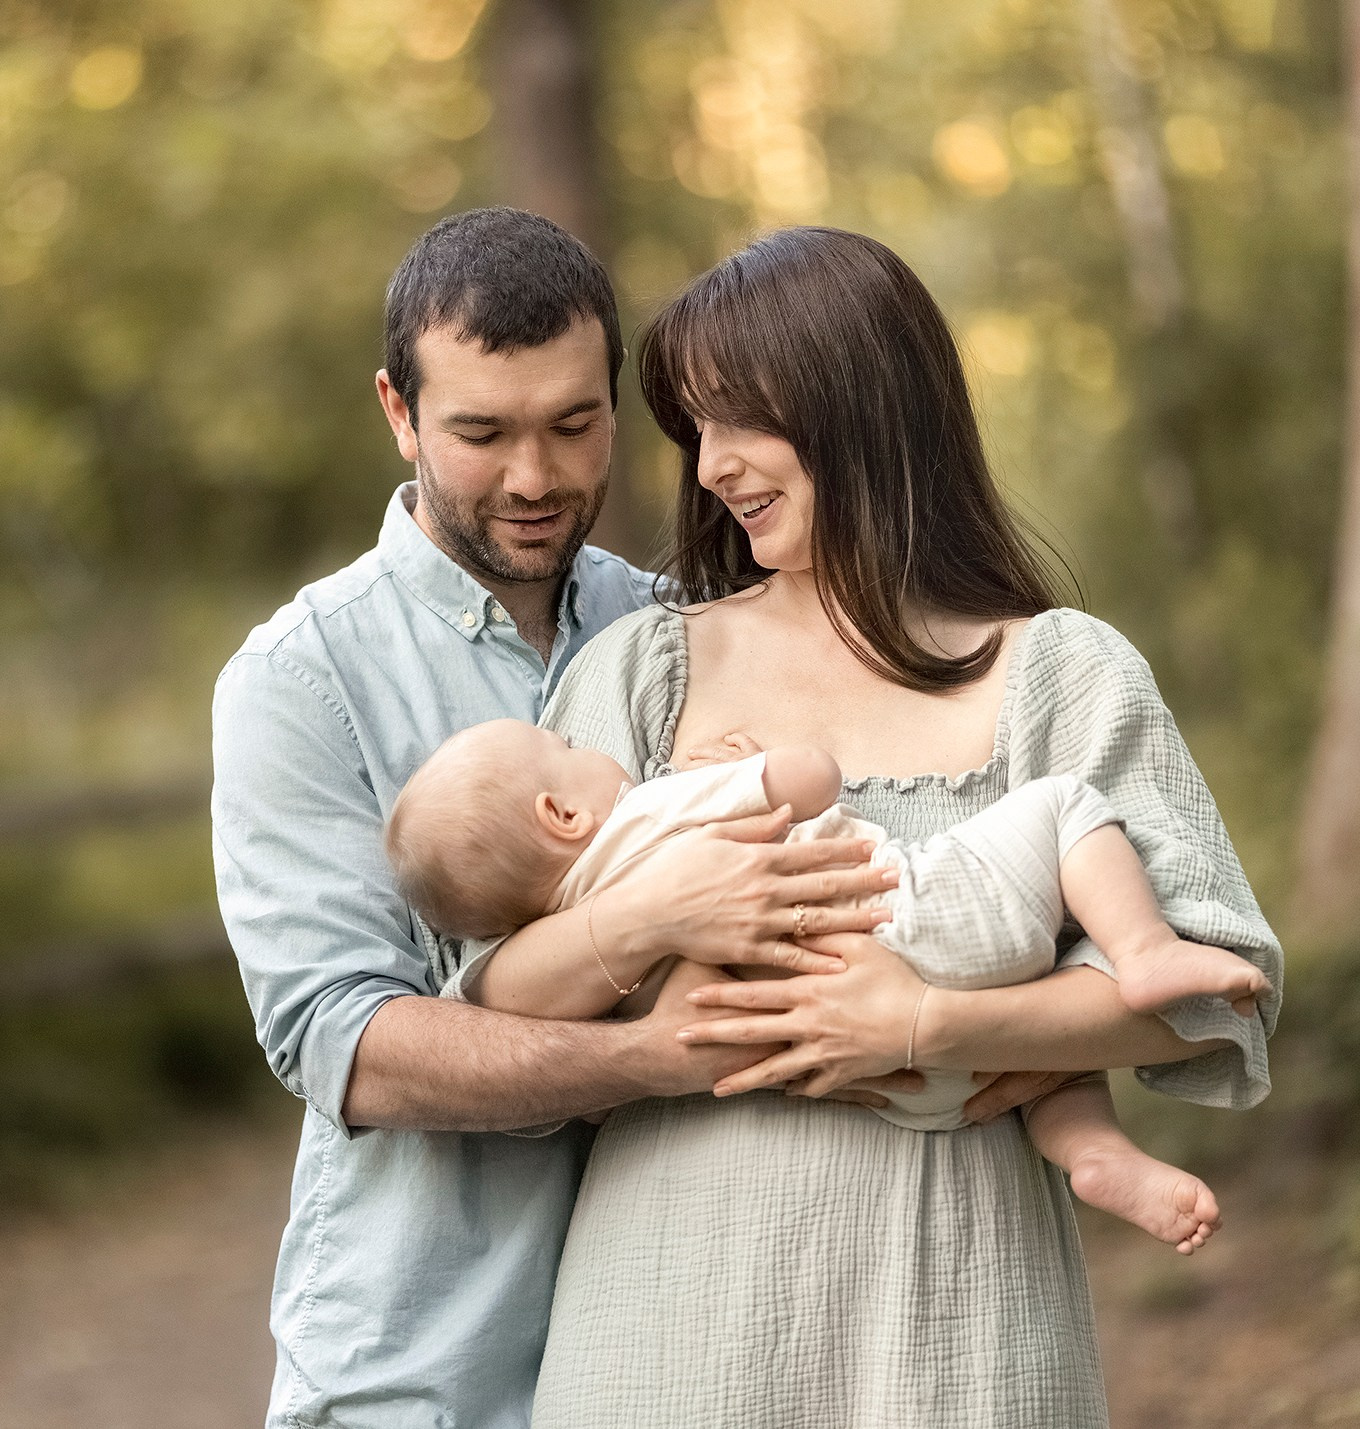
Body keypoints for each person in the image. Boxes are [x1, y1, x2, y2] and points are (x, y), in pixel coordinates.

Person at [466, 226, 1283, 1427]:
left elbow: (1217, 986)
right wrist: (655, 915)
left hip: (957, 1311)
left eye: (742, 421)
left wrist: (923, 1022)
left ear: (860, 405)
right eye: (695, 430)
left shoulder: (1059, 672)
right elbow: (495, 999)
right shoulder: (643, 667)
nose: (712, 467)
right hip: (670, 1317)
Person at [211, 209, 914, 1429]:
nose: (533, 479)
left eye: (572, 425)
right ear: (397, 412)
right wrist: (653, 1056)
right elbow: (344, 1043)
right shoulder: (301, 680)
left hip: (689, 1345)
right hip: (426, 1366)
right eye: (480, 433)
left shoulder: (686, 626)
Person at [385, 718, 1272, 1254]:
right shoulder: (655, 809)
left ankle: (1092, 1153)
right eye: (568, 748)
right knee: (1064, 807)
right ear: (562, 812)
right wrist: (740, 765)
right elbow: (814, 778)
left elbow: (503, 997)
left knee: (1040, 1077)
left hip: (900, 1092)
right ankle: (1144, 948)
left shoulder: (583, 954)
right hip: (918, 921)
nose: (589, 746)